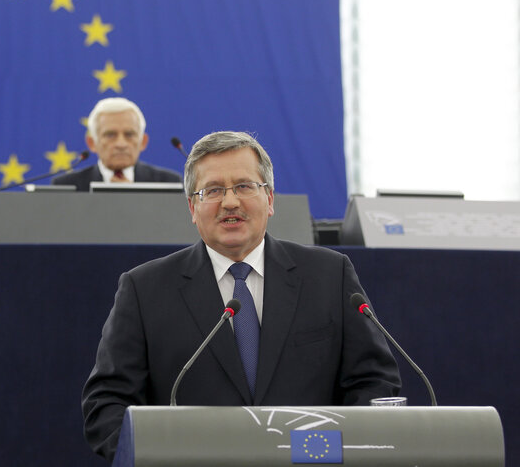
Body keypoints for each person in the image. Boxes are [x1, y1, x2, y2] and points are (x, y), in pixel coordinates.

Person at [81, 131, 401, 463]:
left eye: (245, 186)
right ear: (193, 207)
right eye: (214, 190)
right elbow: (107, 403)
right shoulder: (144, 289)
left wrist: (343, 450)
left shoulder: (329, 275)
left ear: (271, 200)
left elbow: (375, 381)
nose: (230, 202)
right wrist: (155, 456)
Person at [51, 97, 182, 190]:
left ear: (143, 142)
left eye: (129, 134)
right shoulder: (67, 187)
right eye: (110, 135)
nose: (121, 143)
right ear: (92, 143)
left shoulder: (168, 183)